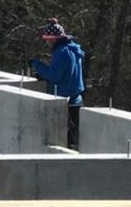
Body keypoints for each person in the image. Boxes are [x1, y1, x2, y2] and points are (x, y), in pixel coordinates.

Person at [29, 19, 87, 149]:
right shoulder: (73, 49)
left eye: (48, 39)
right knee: (74, 137)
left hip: (65, 99)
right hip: (76, 98)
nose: (47, 42)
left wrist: (36, 65)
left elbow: (54, 75)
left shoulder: (62, 52)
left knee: (67, 139)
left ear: (54, 39)